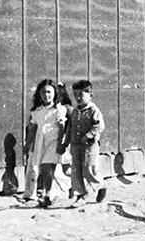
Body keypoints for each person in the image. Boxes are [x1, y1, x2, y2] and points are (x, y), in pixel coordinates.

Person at [23, 79, 67, 208]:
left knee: (48, 167)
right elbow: (32, 129)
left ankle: (49, 194)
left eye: (49, 92)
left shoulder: (59, 109)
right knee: (43, 168)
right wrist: (27, 144)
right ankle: (51, 193)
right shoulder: (37, 111)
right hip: (40, 142)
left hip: (53, 141)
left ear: (55, 93)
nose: (46, 95)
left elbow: (61, 127)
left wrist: (60, 142)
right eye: (43, 92)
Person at [63, 79, 106, 207]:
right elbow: (70, 127)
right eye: (75, 95)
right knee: (76, 170)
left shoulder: (93, 110)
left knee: (89, 169)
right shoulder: (75, 111)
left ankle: (101, 185)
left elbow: (100, 126)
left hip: (89, 146)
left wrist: (88, 135)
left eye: (81, 95)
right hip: (75, 145)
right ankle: (80, 195)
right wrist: (66, 142)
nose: (78, 98)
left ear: (90, 95)